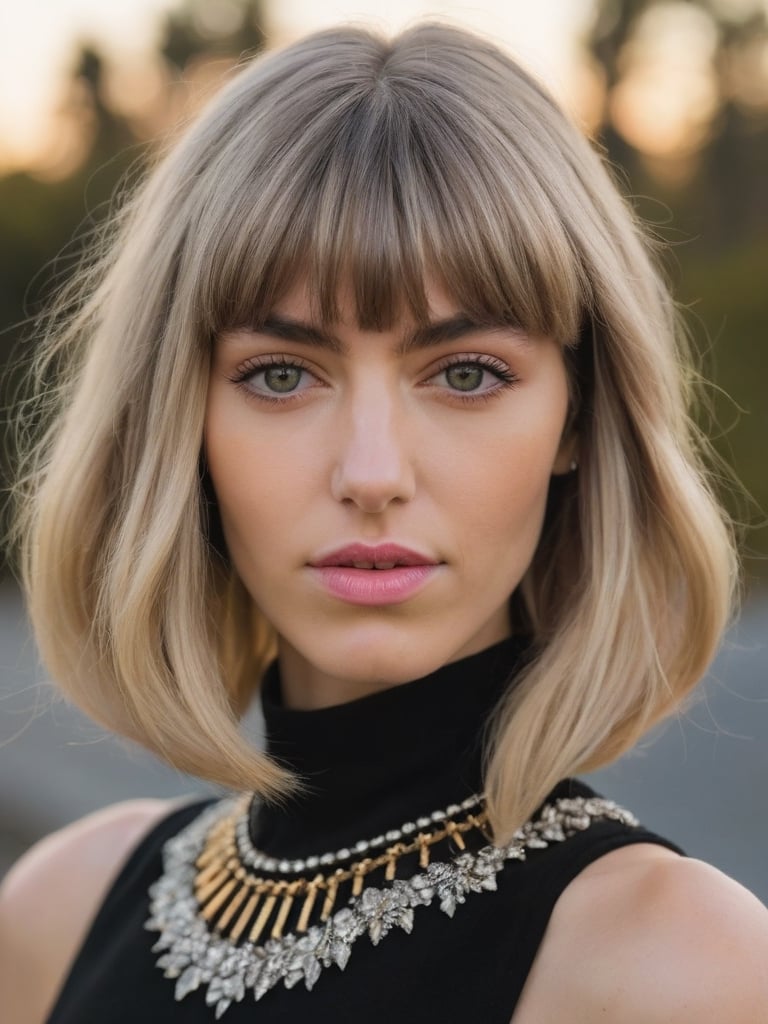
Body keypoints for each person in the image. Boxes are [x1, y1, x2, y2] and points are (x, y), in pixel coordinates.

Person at [2, 20, 767, 1024]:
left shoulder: (677, 965)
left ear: (578, 417)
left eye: (465, 373)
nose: (372, 474)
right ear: (180, 419)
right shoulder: (57, 912)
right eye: (281, 374)